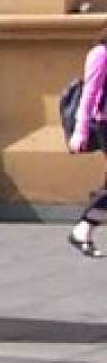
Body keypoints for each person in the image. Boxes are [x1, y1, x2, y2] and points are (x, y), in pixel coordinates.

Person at [71, 24, 107, 256]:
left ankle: (83, 229)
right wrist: (80, 131)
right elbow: (89, 93)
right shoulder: (100, 54)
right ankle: (83, 228)